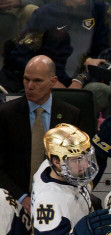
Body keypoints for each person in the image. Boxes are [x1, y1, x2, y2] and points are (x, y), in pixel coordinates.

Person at [0, 56, 82, 215]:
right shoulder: (5, 114)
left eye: (37, 81)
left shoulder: (70, 115)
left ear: (52, 81)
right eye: (26, 79)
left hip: (60, 196)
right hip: (14, 197)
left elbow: (77, 166)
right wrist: (22, 198)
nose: (30, 86)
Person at [0, 0, 111, 90]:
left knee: (99, 89)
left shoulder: (98, 9)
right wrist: (50, 80)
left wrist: (80, 79)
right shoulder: (45, 14)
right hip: (46, 80)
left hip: (84, 79)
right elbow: (19, 56)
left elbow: (102, 53)